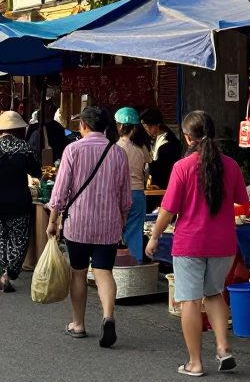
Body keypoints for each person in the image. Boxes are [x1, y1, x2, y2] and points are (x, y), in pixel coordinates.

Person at [144, 111, 249, 376]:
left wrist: (154, 237)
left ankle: (195, 362)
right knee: (213, 294)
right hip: (223, 243)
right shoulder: (231, 165)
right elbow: (241, 200)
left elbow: (168, 210)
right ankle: (224, 349)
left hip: (190, 243)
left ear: (188, 137)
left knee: (190, 301)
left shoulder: (183, 167)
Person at [47, 105, 131, 346]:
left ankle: (79, 324)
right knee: (104, 272)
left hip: (78, 224)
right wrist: (121, 222)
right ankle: (108, 316)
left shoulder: (72, 150)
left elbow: (61, 191)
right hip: (108, 224)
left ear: (83, 126)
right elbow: (125, 197)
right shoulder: (117, 153)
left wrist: (53, 221)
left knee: (79, 272)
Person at [0, 110, 41, 292]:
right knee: (18, 238)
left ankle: (1, 273)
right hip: (19, 200)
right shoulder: (25, 148)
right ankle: (10, 271)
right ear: (17, 130)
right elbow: (37, 171)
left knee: (0, 238)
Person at [115, 107, 151, 262]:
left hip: (120, 193)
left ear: (120, 126)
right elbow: (147, 169)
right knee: (135, 232)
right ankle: (136, 266)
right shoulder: (142, 147)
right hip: (138, 194)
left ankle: (120, 267)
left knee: (117, 232)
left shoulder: (117, 148)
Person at [140, 108, 182, 189]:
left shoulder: (168, 144)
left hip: (165, 186)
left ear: (156, 125)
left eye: (146, 127)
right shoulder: (157, 139)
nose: (146, 130)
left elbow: (164, 169)